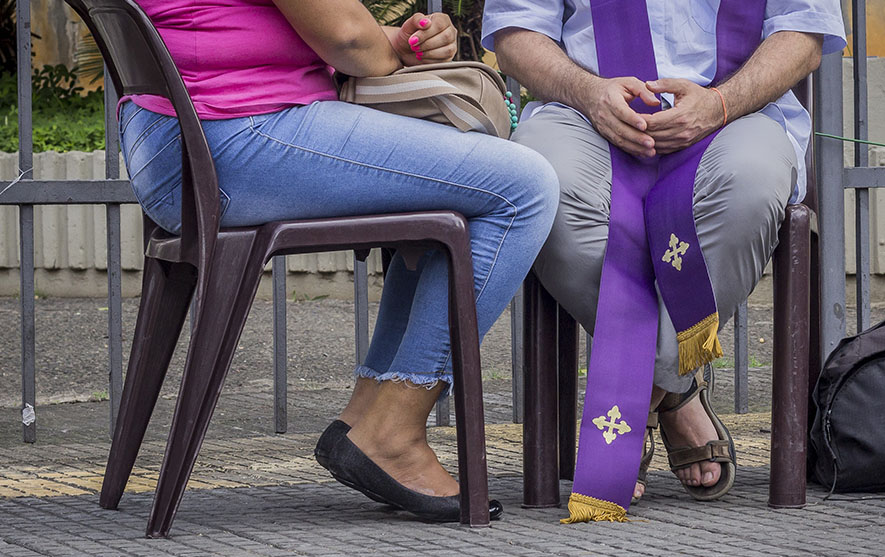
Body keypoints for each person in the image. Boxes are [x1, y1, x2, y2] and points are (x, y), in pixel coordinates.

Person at [120, 0, 559, 522]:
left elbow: (315, 29)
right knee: (523, 187)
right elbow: (348, 39)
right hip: (231, 135)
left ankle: (366, 416)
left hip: (183, 133)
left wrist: (390, 40)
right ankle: (391, 432)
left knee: (460, 191)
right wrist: (379, 48)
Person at [483, 0, 846, 508]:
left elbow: (803, 33)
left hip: (736, 110)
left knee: (752, 186)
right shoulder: (585, 99)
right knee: (540, 191)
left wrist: (719, 104)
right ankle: (678, 390)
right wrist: (590, 94)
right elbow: (516, 31)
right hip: (583, 111)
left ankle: (639, 403)